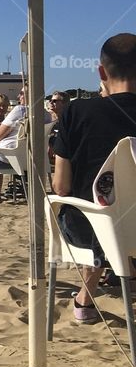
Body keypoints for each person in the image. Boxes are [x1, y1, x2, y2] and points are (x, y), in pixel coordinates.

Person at [52, 33, 136, 323]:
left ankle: (85, 299)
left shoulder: (77, 112)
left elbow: (61, 186)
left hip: (88, 229)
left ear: (101, 72)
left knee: (98, 209)